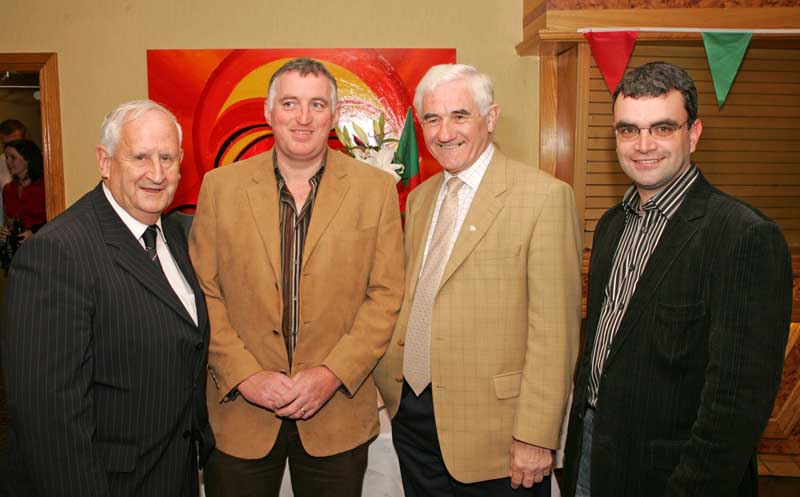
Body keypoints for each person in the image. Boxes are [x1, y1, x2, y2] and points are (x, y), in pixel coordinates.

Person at [561, 61, 793, 497]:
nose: (643, 145)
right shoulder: (611, 225)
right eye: (628, 130)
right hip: (594, 454)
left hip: (675, 477)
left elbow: (736, 408)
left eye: (662, 128)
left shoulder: (744, 236)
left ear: (694, 133)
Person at [189, 58, 404, 497]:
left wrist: (331, 373)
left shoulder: (375, 191)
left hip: (337, 413)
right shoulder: (219, 187)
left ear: (333, 116)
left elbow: (386, 296)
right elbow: (202, 292)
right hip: (239, 415)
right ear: (268, 113)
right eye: (290, 103)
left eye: (317, 105)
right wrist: (244, 374)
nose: (303, 118)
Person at [374, 63, 582, 497]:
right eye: (432, 118)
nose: (444, 131)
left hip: (498, 437)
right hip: (414, 418)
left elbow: (555, 333)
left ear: (491, 118)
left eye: (460, 116)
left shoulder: (544, 198)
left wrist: (536, 435)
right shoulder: (420, 199)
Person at [2, 100, 214, 497]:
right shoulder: (57, 253)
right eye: (140, 157)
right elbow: (48, 418)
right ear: (105, 161)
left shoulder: (176, 236)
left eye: (167, 158)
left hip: (170, 471)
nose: (156, 173)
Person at [0, 139, 47, 263]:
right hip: (17, 254)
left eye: (13, 157)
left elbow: (55, 218)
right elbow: (9, 221)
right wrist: (5, 231)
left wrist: (34, 232)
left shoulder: (44, 186)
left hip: (42, 250)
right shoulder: (8, 189)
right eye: (6, 158)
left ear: (28, 159)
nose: (8, 162)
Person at [0, 119, 29, 232]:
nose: (12, 149)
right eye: (7, 145)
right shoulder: (1, 164)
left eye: (17, 144)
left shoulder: (41, 163)